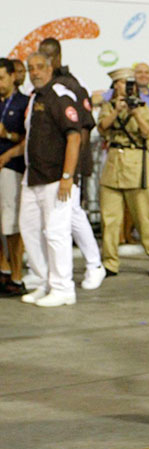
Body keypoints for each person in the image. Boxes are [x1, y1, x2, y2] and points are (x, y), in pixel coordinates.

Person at [38, 38, 106, 290]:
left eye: (46, 57)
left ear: (55, 58)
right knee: (67, 216)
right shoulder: (45, 87)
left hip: (70, 165)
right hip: (51, 166)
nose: (41, 63)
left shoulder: (70, 85)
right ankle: (80, 266)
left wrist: (73, 168)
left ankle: (94, 264)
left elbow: (83, 128)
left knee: (74, 214)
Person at [17, 52, 81, 306]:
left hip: (56, 177)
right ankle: (44, 281)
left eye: (40, 67)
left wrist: (67, 176)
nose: (35, 72)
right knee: (30, 230)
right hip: (32, 176)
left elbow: (74, 137)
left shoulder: (59, 95)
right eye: (30, 68)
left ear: (51, 67)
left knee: (56, 234)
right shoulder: (35, 97)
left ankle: (63, 288)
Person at [97, 68, 149, 277]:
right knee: (109, 219)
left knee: (144, 216)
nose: (123, 88)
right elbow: (102, 127)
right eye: (120, 83)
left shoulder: (143, 106)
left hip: (136, 164)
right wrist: (116, 110)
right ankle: (110, 263)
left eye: (127, 84)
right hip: (113, 164)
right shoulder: (108, 106)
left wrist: (135, 112)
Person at [0, 58, 29, 297]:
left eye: (1, 78)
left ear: (12, 77)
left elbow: (29, 140)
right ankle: (3, 269)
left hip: (10, 168)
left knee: (11, 224)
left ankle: (17, 275)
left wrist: (7, 136)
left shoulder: (23, 103)